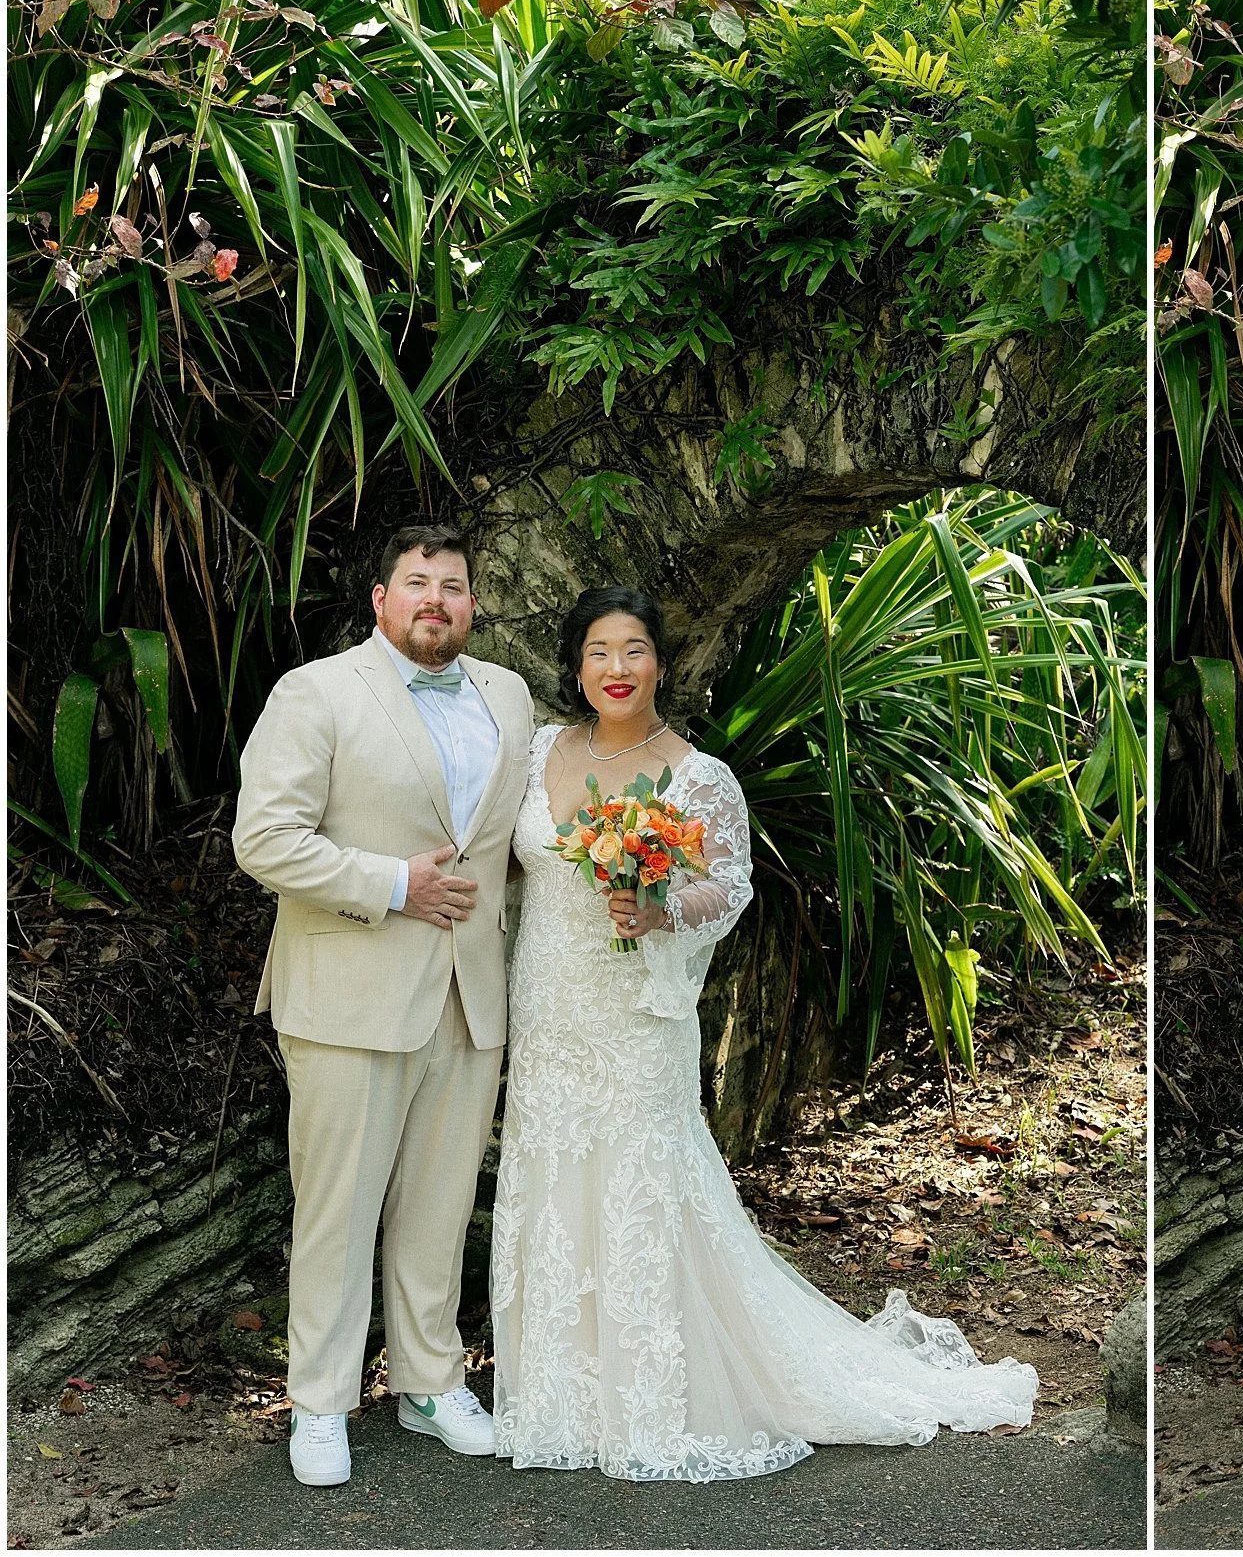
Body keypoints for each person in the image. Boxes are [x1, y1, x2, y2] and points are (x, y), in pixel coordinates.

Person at [488, 587, 1038, 1481]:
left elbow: (728, 887)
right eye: (597, 651)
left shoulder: (699, 776)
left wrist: (660, 905)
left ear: (661, 662)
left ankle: (655, 1392)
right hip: (548, 1011)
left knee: (638, 1183)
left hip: (635, 1020)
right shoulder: (543, 750)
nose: (615, 669)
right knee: (552, 1171)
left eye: (634, 650)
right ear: (576, 666)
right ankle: (560, 1394)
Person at [234, 524, 535, 1487]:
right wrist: (393, 882)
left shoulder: (508, 696)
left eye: (452, 586)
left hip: (469, 994)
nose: (435, 601)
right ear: (379, 598)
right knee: (336, 1208)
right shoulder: (316, 692)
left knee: (440, 1207)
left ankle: (429, 1379)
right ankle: (319, 1402)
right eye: (417, 583)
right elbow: (264, 838)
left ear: (472, 605)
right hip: (348, 994)